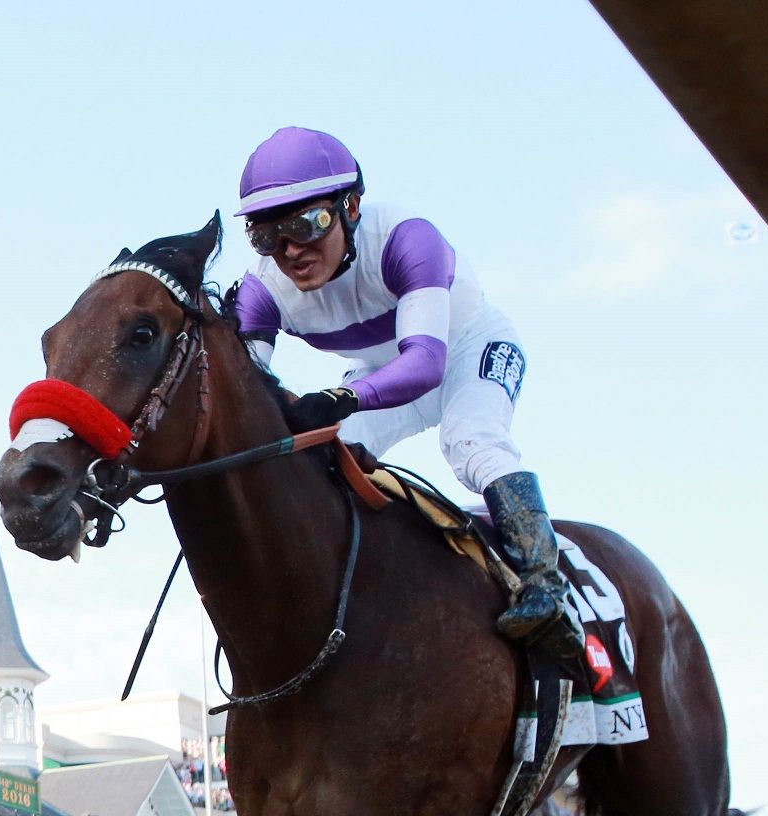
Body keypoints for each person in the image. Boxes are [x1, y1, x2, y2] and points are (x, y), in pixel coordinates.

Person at [230, 127, 579, 661]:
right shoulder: (261, 291)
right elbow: (247, 397)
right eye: (267, 237)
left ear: (350, 205)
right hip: (378, 370)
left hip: (466, 347)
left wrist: (343, 399)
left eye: (307, 224)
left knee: (472, 440)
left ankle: (542, 582)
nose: (292, 252)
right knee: (322, 458)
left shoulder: (406, 238)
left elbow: (424, 364)